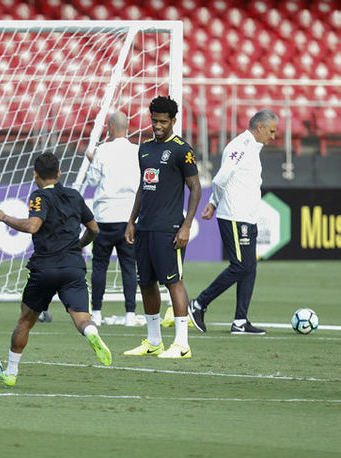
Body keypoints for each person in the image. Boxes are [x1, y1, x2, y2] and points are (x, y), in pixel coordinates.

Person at [0, 151, 112, 387]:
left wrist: (4, 218)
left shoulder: (39, 197)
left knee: (25, 320)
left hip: (45, 268)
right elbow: (94, 229)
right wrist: (78, 245)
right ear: (59, 173)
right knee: (82, 319)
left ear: (35, 174)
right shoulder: (75, 195)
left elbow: (33, 226)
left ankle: (11, 372)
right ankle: (91, 332)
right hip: (73, 267)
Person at [123, 96, 201, 359]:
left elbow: (195, 188)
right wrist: (132, 221)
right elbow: (143, 187)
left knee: (173, 282)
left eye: (163, 122)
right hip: (144, 227)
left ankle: (182, 344)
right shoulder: (144, 149)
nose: (157, 126)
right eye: (154, 120)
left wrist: (186, 225)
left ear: (173, 121)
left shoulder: (182, 150)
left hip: (169, 228)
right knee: (146, 283)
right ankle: (154, 340)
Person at [188, 109, 278, 335]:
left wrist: (213, 202)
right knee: (240, 265)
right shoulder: (240, 146)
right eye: (271, 131)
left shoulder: (252, 147)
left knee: (249, 267)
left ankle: (240, 321)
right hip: (235, 217)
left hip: (247, 217)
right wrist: (214, 201)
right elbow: (220, 179)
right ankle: (199, 304)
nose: (274, 136)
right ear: (260, 127)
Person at [85, 111, 140, 327]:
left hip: (105, 216)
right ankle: (130, 314)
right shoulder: (137, 151)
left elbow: (92, 180)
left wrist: (92, 161)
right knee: (129, 266)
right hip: (128, 217)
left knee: (99, 266)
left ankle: (97, 313)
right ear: (127, 128)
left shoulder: (103, 151)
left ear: (110, 128)